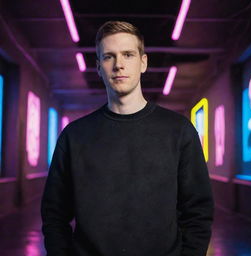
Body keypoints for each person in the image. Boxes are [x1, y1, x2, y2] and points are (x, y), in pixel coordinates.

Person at [41, 21, 214, 256]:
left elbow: (198, 212)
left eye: (128, 55)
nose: (119, 65)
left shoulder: (179, 131)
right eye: (109, 57)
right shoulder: (74, 136)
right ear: (98, 67)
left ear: (143, 63)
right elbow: (54, 215)